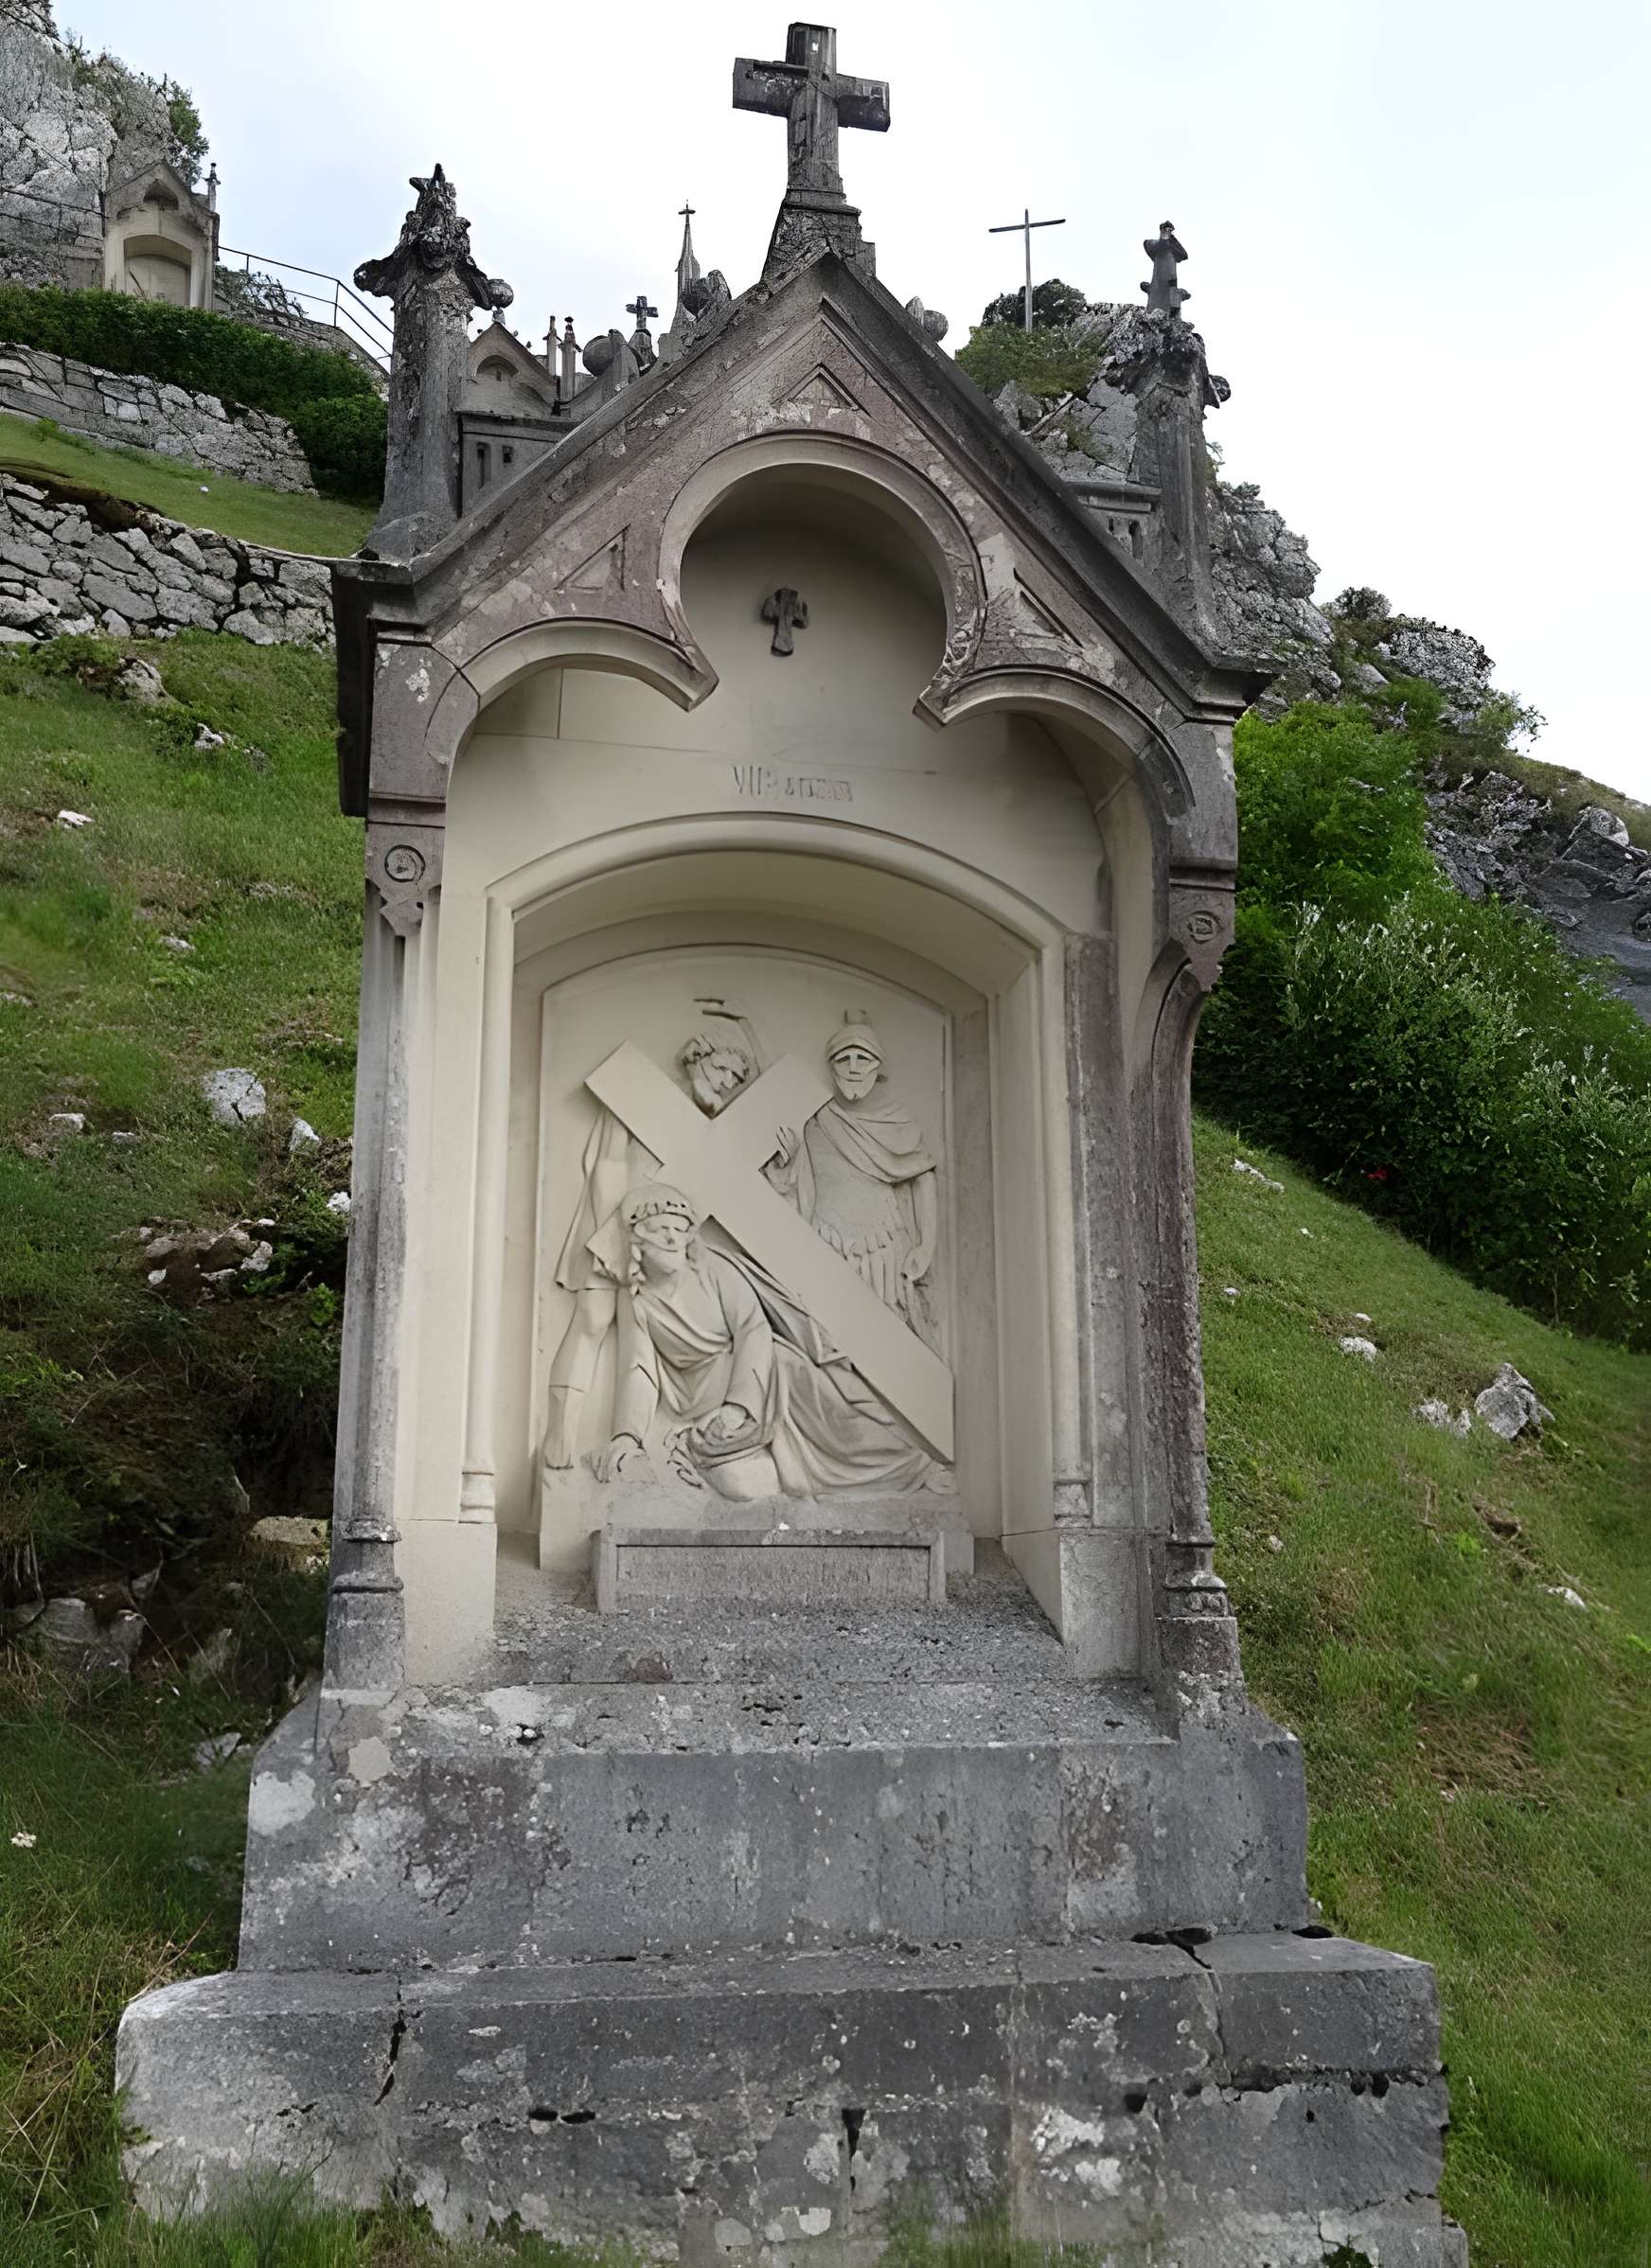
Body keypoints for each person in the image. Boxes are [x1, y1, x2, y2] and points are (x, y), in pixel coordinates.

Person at [594, 1186, 944, 1499]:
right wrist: (628, 1435)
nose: (672, 1239)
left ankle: (913, 1469)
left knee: (842, 1428)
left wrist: (738, 1407)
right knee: (746, 1485)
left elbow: (753, 1329)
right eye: (660, 1230)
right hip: (701, 1404)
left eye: (678, 1229)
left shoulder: (714, 1270)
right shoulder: (637, 1299)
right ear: (638, 1241)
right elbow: (639, 1370)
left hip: (771, 1376)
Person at [540, 1012, 758, 1471]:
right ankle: (559, 1437)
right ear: (699, 1055)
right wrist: (615, 1243)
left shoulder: (714, 1130)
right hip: (614, 1229)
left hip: (664, 1242)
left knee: (636, 1344)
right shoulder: (639, 1095)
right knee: (593, 1321)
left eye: (736, 1081)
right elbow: (607, 1165)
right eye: (723, 1070)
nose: (726, 1085)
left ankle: (631, 1438)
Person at [768, 1012, 942, 1353]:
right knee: (825, 1332)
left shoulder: (898, 1123)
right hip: (827, 1240)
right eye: (843, 1059)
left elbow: (922, 1180)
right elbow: (796, 1180)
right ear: (831, 1066)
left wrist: (926, 1245)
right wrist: (785, 1165)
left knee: (887, 1334)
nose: (853, 1067)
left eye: (863, 1058)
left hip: (884, 1245)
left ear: (878, 1067)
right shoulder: (817, 1120)